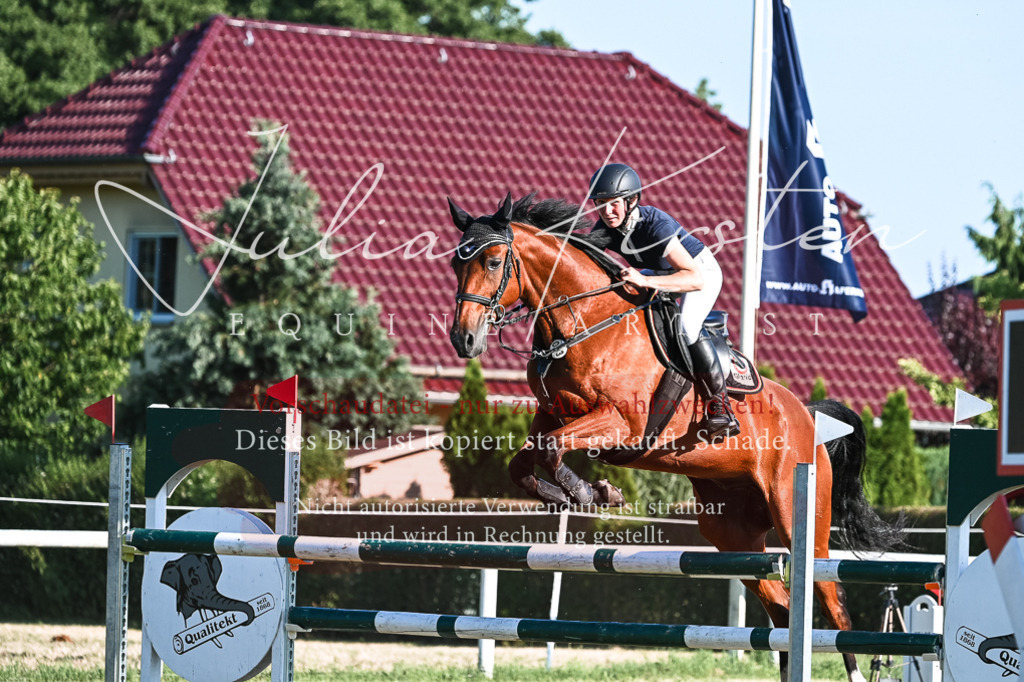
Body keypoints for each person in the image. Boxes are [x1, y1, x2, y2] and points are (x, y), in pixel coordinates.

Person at [586, 163, 739, 441]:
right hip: (658, 273)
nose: (607, 211)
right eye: (600, 204)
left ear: (632, 200)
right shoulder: (605, 228)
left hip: (699, 271)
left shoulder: (655, 225)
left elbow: (693, 278)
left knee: (687, 327)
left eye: (614, 204)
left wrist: (644, 281)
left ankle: (720, 407)